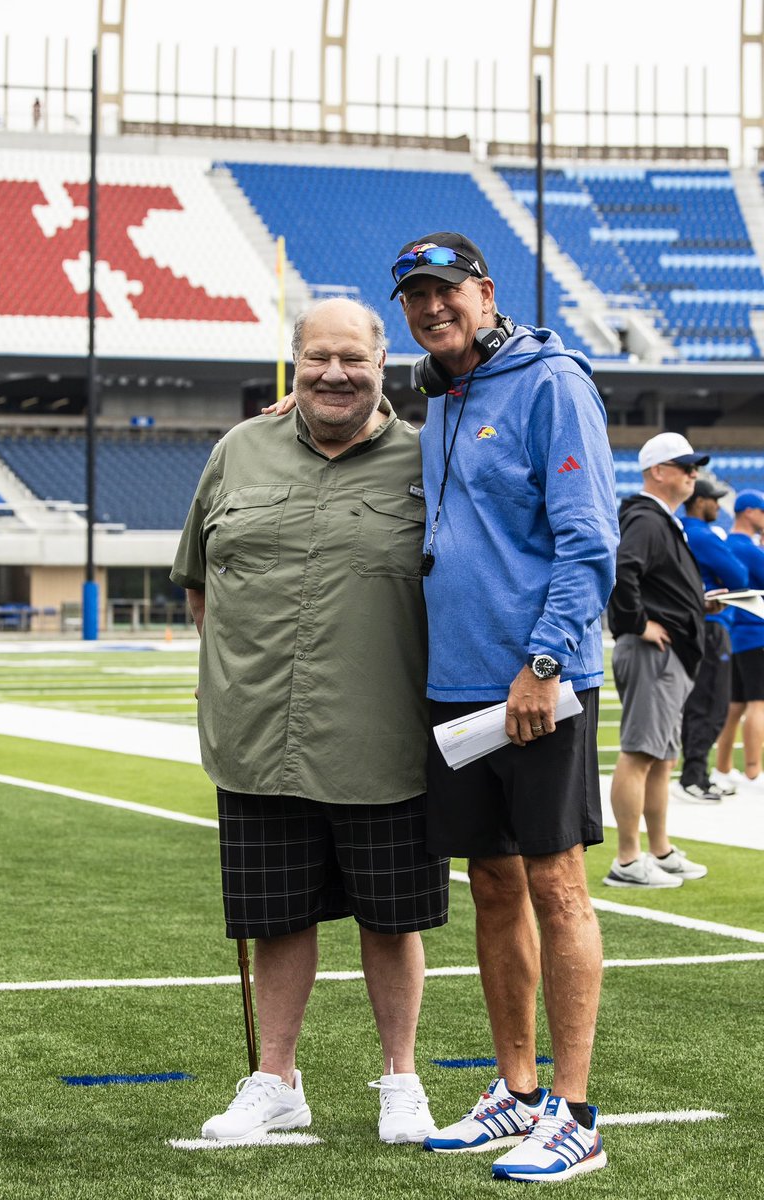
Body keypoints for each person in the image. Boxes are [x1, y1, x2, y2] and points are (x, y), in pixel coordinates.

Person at [171, 297, 449, 1146]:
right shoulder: (238, 450)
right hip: (259, 739)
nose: (335, 374)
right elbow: (199, 586)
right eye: (318, 358)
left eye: (352, 359)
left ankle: (401, 1080)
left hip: (384, 740)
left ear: (381, 364)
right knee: (277, 916)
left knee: (392, 920)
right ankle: (276, 1080)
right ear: (294, 366)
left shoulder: (428, 458)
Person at [391, 232, 617, 1184]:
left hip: (537, 682)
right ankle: (517, 1091)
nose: (431, 307)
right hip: (459, 683)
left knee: (557, 884)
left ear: (485, 294)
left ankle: (575, 1113)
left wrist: (545, 661)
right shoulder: (440, 397)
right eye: (415, 296)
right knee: (491, 883)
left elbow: (589, 539)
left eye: (445, 290)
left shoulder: (552, 384)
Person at [606, 432, 713, 890]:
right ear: (658, 471)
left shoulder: (659, 519)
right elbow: (621, 569)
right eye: (685, 466)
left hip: (668, 653)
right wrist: (637, 623)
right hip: (653, 651)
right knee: (640, 753)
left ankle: (660, 851)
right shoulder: (647, 519)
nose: (694, 475)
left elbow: (651, 580)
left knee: (661, 757)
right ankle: (628, 860)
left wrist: (696, 604)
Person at [675, 478, 748, 803]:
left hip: (695, 626)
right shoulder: (702, 534)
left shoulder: (680, 530)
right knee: (712, 703)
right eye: (713, 500)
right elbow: (739, 576)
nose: (718, 506)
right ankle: (693, 778)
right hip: (712, 625)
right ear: (699, 501)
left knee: (700, 701)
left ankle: (697, 775)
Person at [713, 489, 764, 791]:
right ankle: (754, 772)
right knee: (759, 703)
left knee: (735, 705)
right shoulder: (749, 549)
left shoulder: (726, 545)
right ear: (749, 512)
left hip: (735, 634)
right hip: (757, 633)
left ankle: (722, 767)